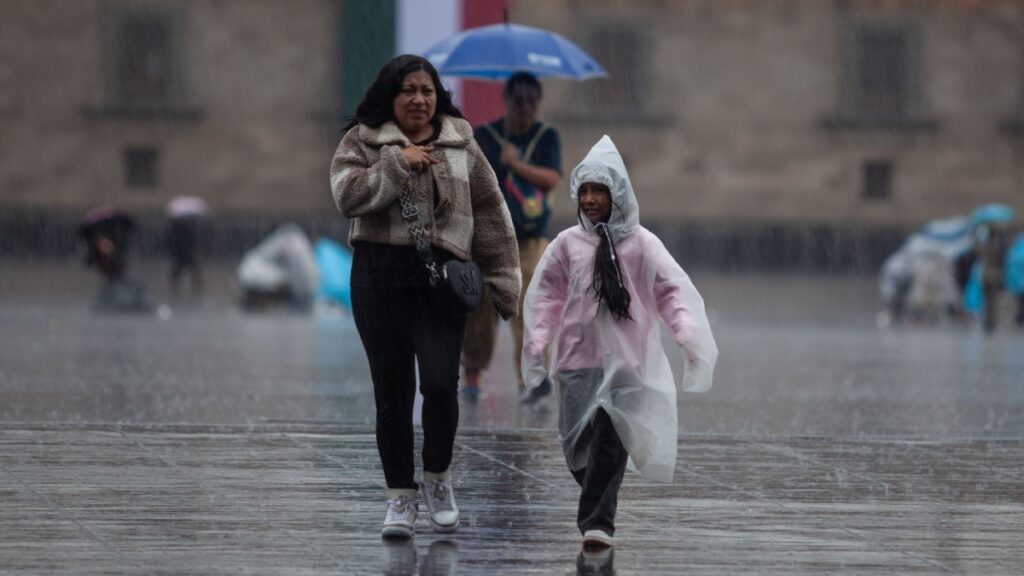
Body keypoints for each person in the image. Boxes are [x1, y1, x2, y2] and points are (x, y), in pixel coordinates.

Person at [329, 55, 521, 539]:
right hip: (378, 280)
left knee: (439, 384)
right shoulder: (362, 141)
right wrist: (398, 163)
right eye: (408, 90)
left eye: (427, 90)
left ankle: (437, 476)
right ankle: (400, 495)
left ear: (439, 97)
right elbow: (347, 196)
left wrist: (504, 281)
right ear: (390, 97)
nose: (419, 99)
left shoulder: (461, 141)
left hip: (442, 281)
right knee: (392, 392)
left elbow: (490, 211)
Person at [521, 136, 718, 549]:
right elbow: (546, 296)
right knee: (577, 446)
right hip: (577, 362)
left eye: (600, 191)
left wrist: (687, 335)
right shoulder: (566, 245)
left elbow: (672, 292)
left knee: (611, 441)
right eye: (585, 191)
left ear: (618, 195)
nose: (590, 199)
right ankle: (598, 494)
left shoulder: (643, 244)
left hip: (627, 365)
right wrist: (538, 340)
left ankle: (598, 523)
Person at [461, 72, 561, 404]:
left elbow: (551, 179)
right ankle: (472, 372)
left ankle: (532, 376)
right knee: (480, 307)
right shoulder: (484, 136)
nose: (525, 108)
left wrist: (516, 164)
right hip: (487, 238)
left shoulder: (546, 136)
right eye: (519, 101)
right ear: (506, 100)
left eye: (531, 102)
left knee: (531, 306)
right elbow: (471, 179)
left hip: (530, 240)